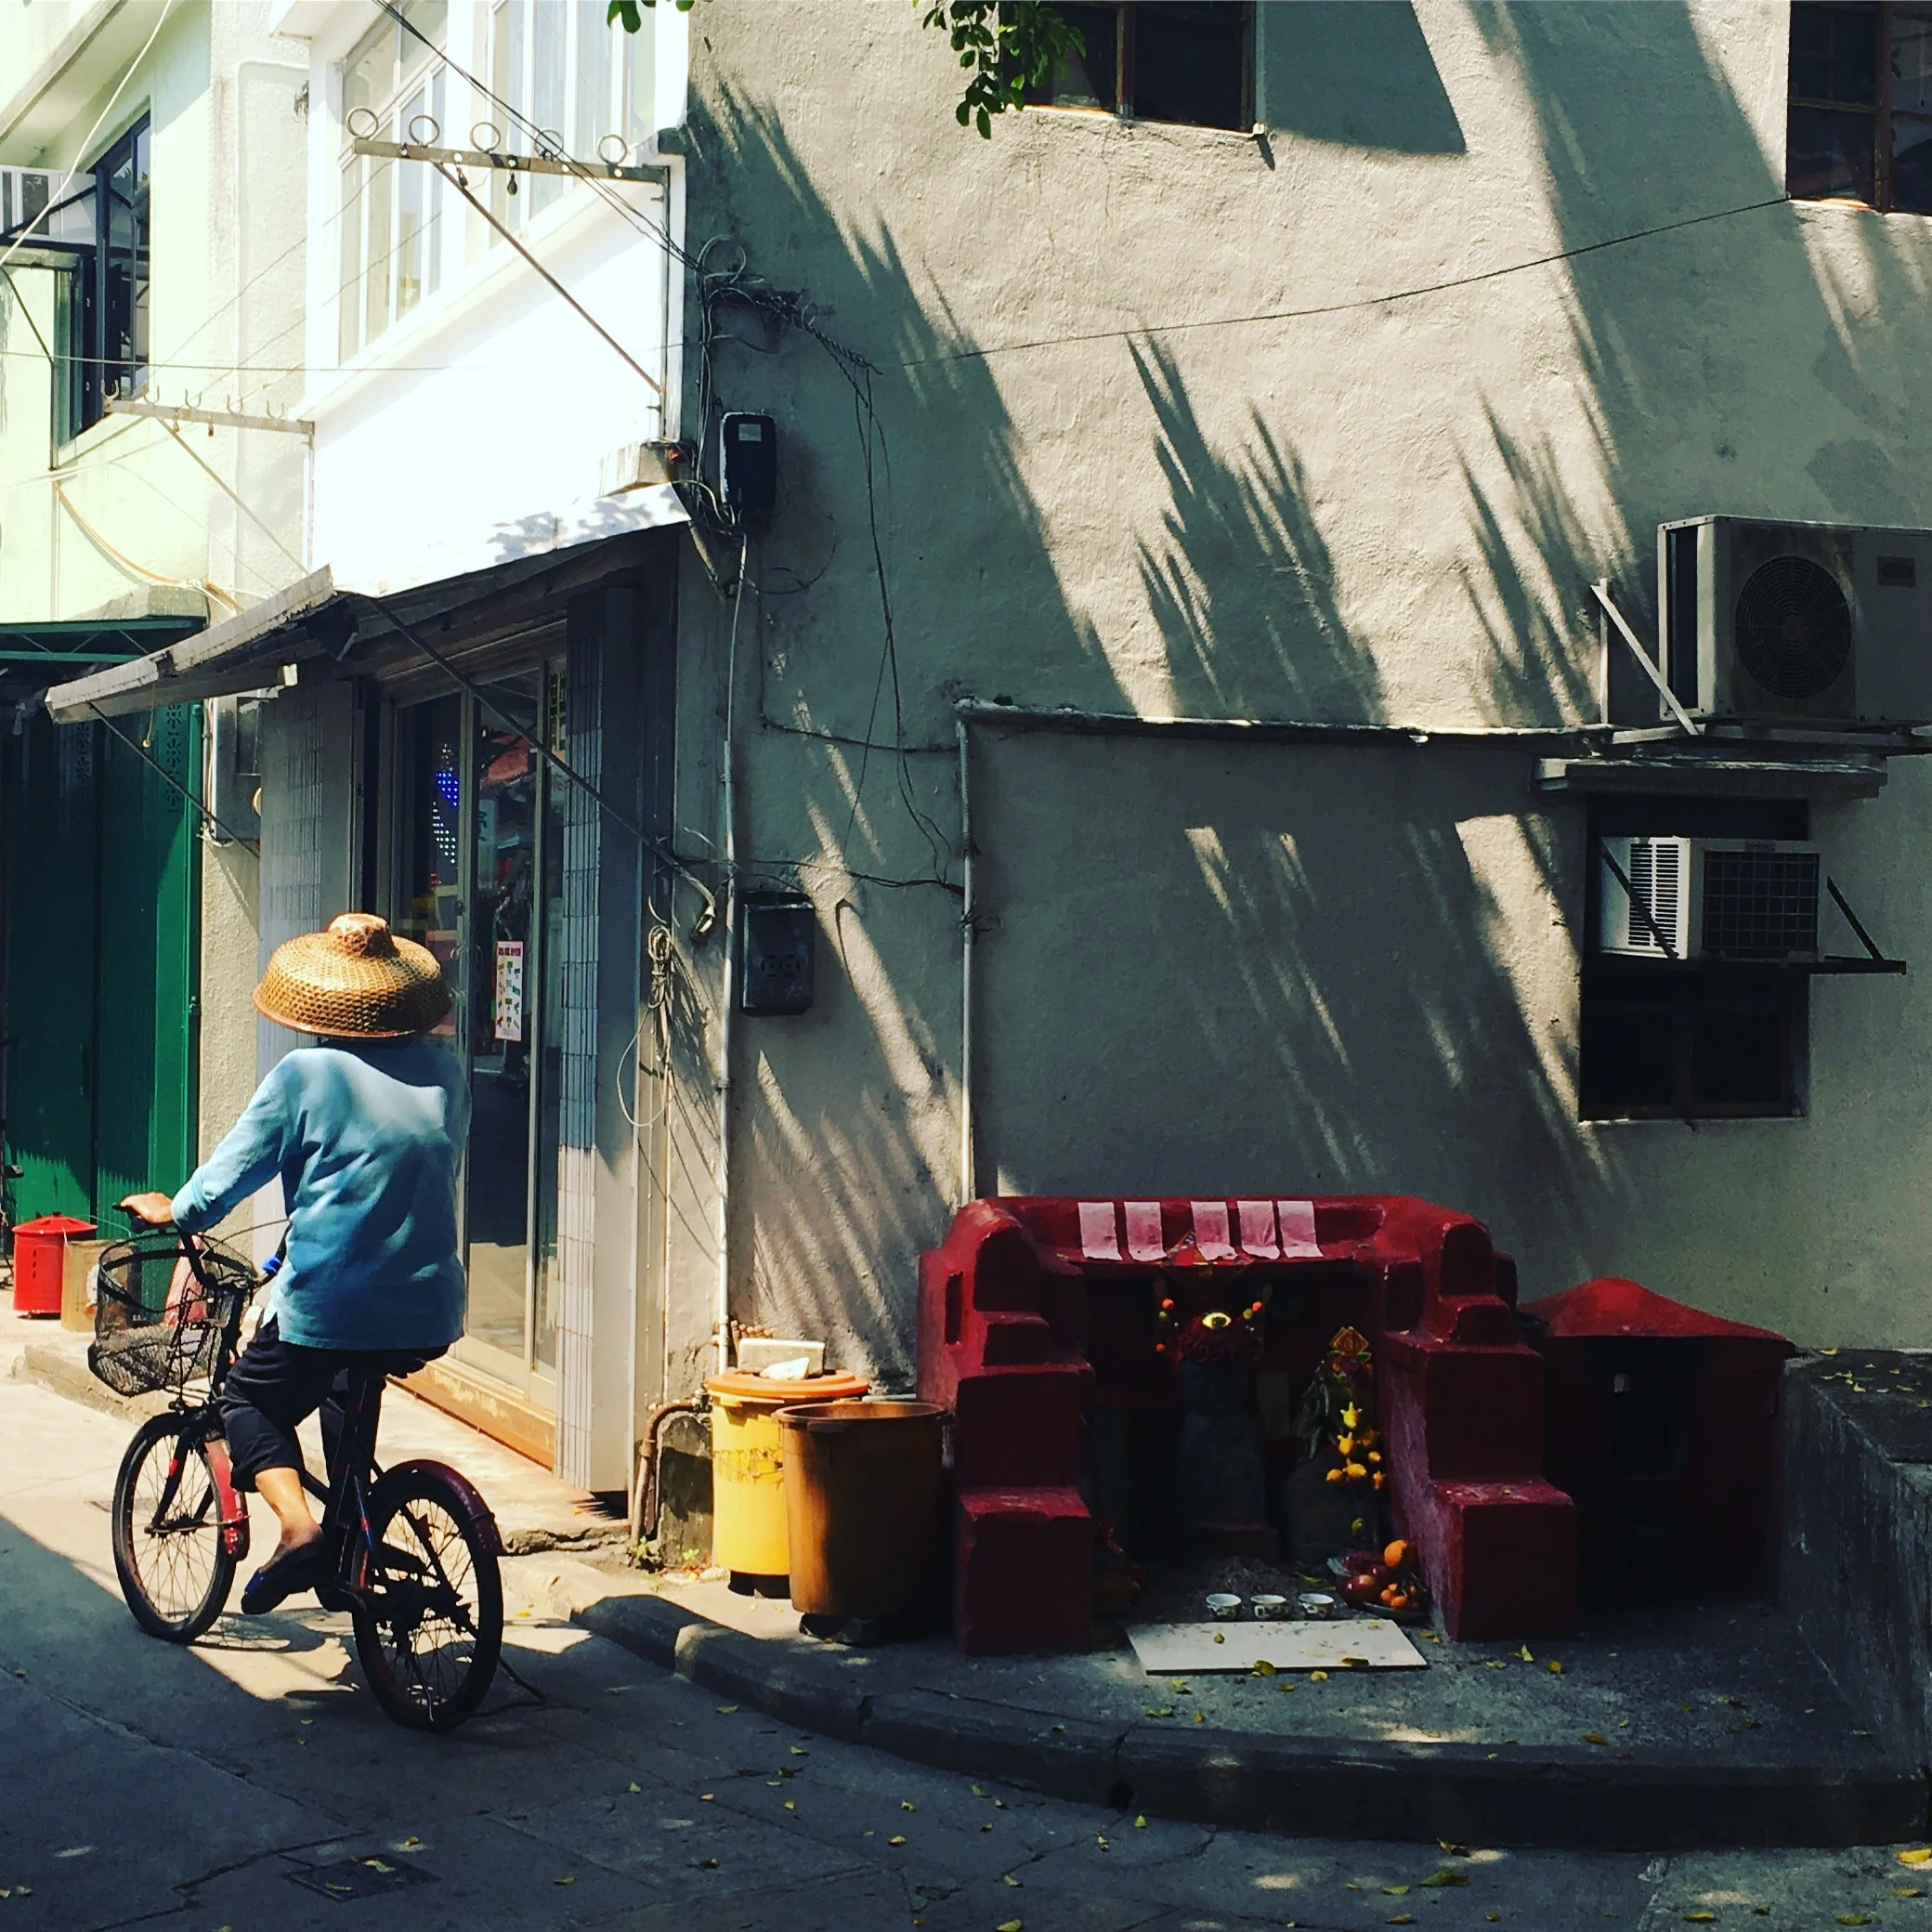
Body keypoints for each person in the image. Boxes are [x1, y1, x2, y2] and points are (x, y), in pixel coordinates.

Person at [120, 912, 469, 1615]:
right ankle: (351, 1549)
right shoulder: (446, 1072)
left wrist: (176, 1211)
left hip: (335, 1303)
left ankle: (301, 1529)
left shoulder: (304, 1074)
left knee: (245, 1402)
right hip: (429, 1307)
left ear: (320, 1004)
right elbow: (404, 1173)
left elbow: (227, 1178)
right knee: (346, 1387)